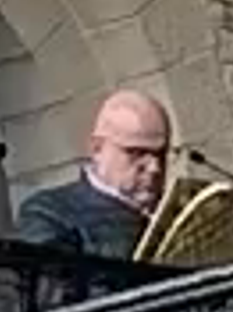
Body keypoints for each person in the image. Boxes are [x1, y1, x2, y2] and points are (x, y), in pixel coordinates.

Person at [14, 86, 176, 273]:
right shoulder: (49, 213)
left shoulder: (177, 213)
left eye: (161, 154)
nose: (155, 168)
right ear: (97, 149)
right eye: (137, 153)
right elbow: (52, 293)